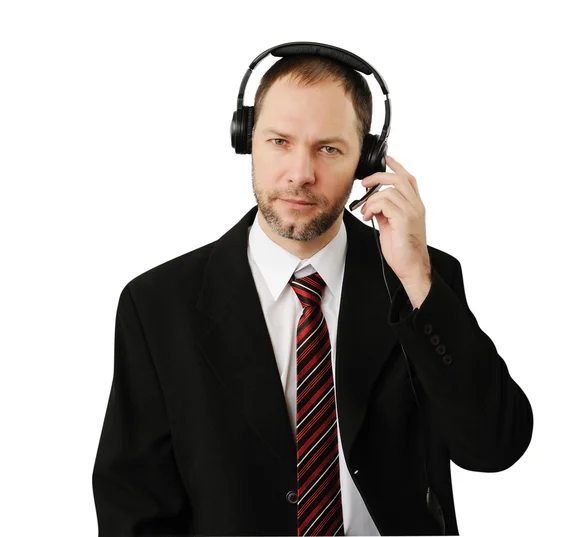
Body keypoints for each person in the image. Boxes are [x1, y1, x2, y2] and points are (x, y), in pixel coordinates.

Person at [92, 45, 534, 536]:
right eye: (280, 141)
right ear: (248, 140)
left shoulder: (423, 282)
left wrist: (417, 281)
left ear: (366, 160)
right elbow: (133, 509)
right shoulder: (157, 306)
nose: (301, 173)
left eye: (328, 148)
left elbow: (495, 447)